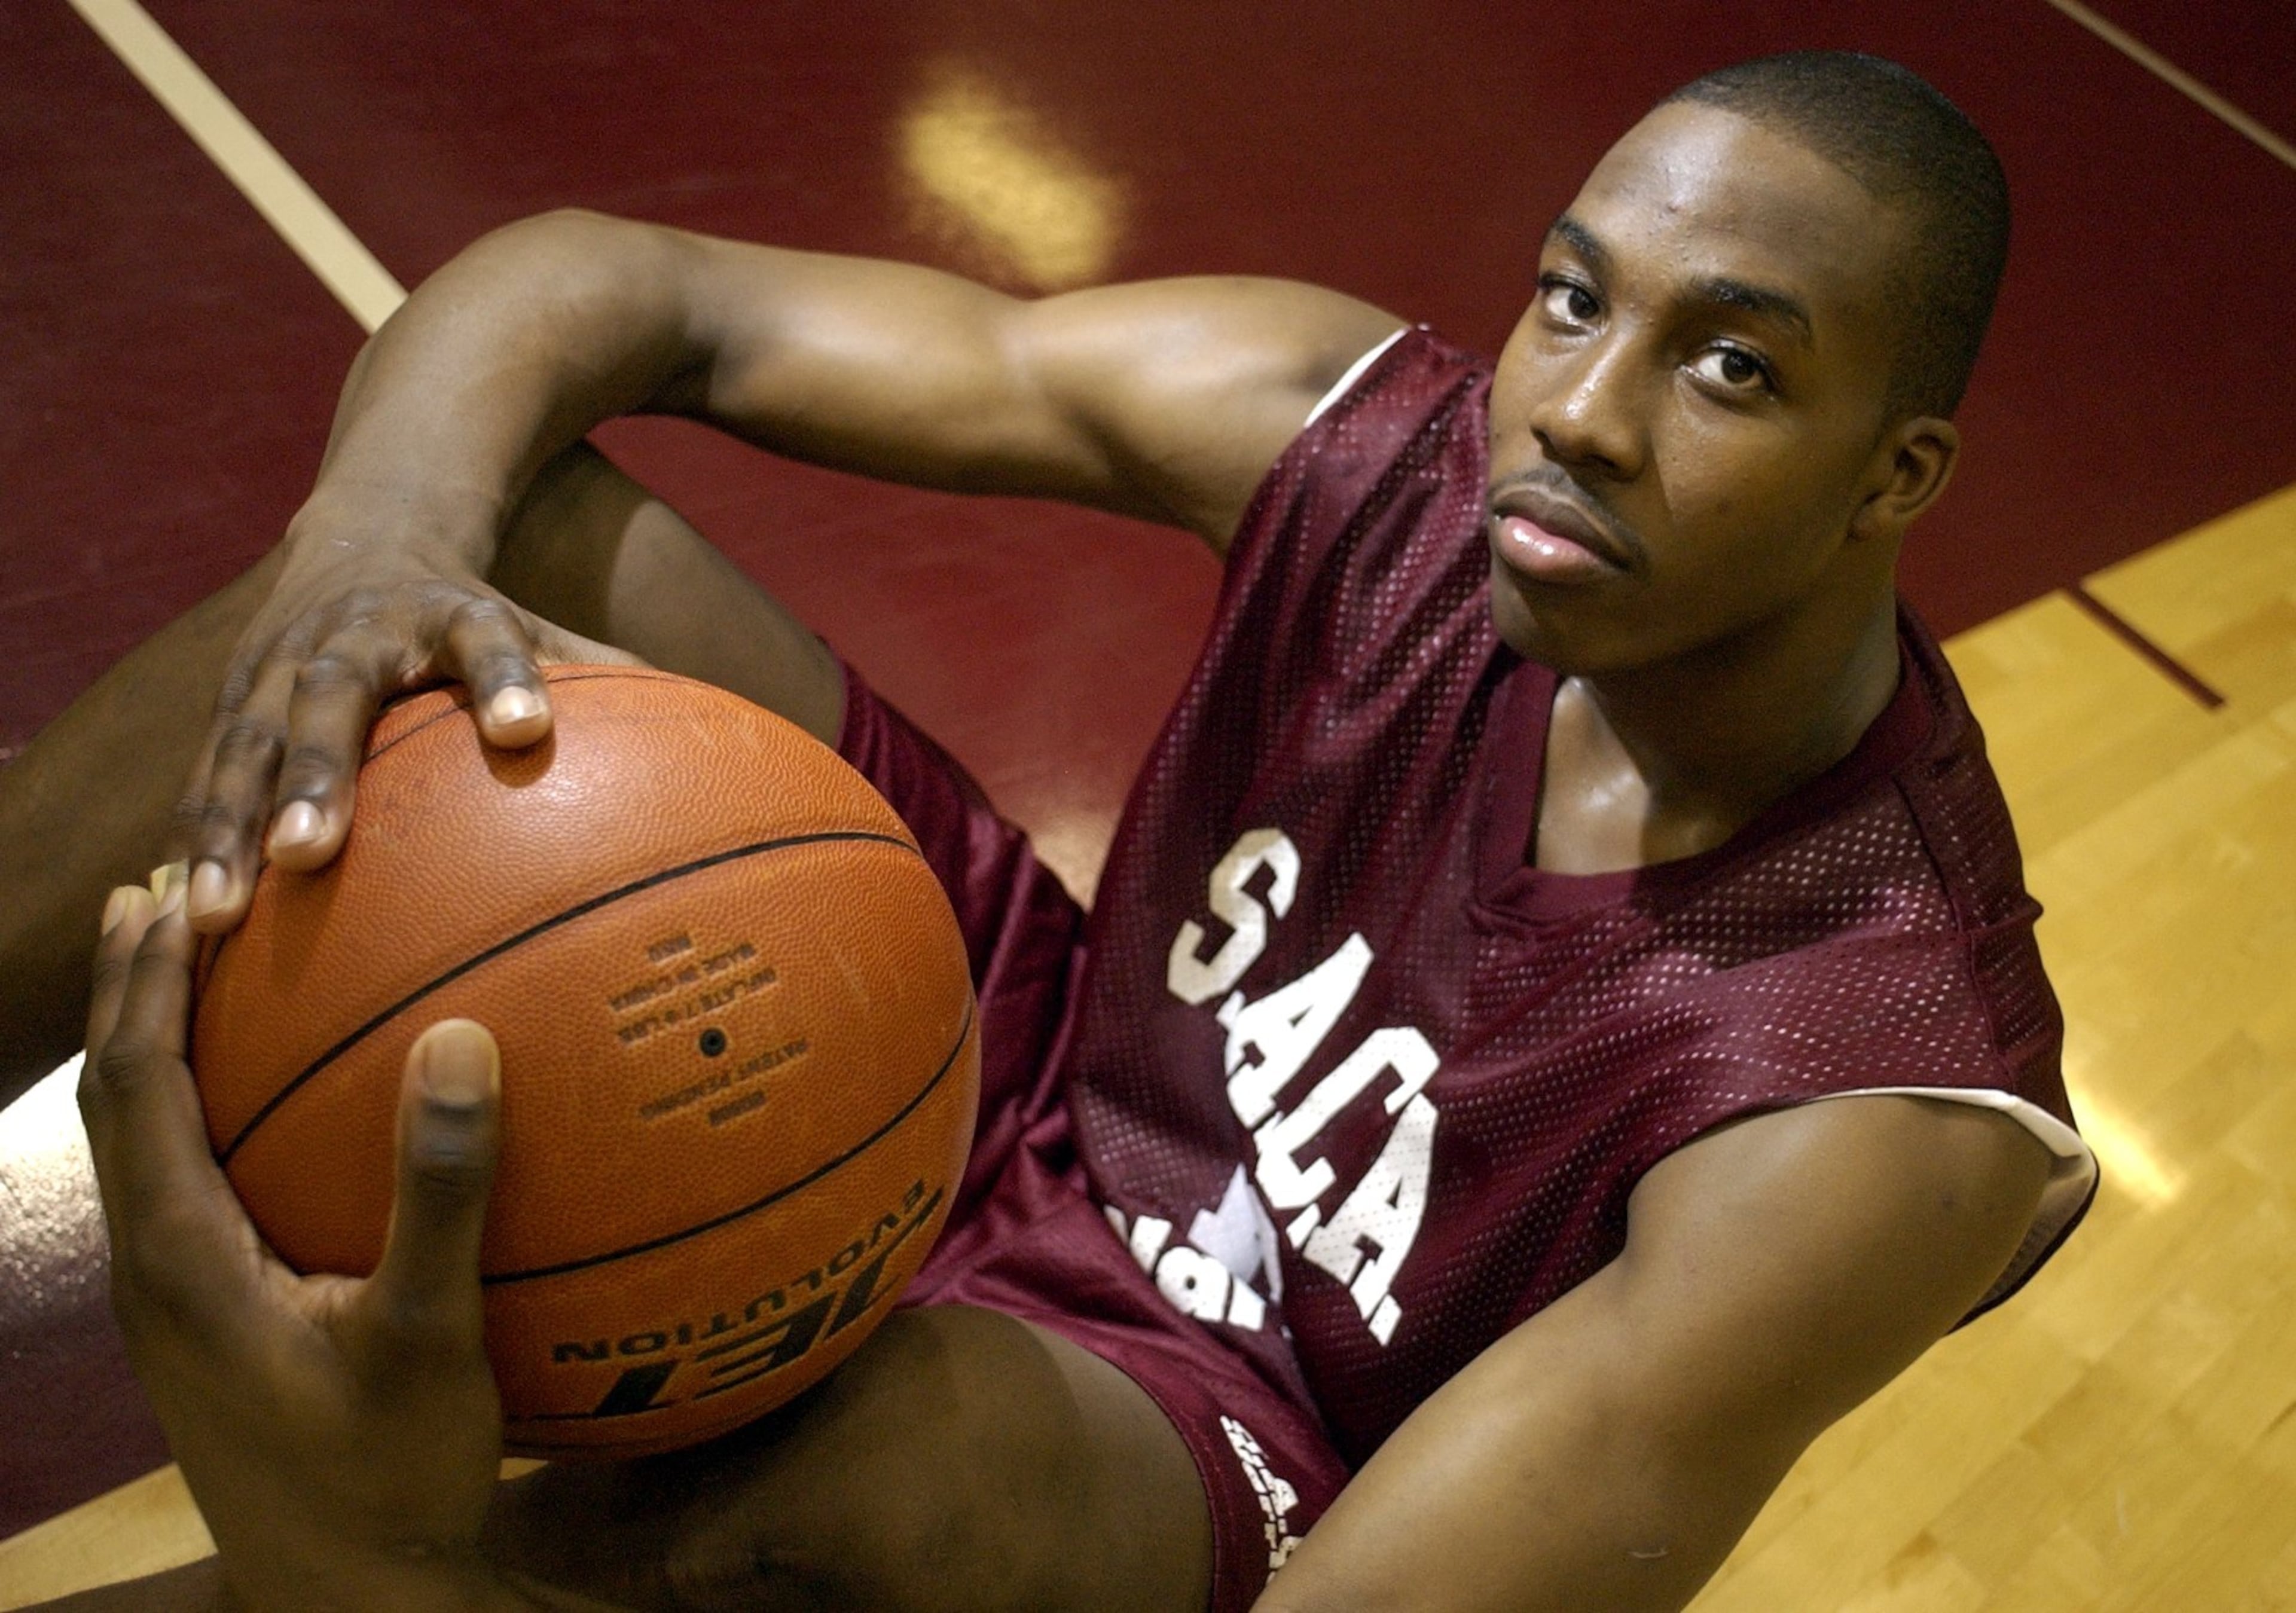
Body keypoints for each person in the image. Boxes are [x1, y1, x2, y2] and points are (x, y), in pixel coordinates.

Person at [8, 50, 2098, 1613]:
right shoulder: (1385, 440)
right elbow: (630, 284)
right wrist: (367, 547)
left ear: (1897, 469)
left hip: (1231, 1445)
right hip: (1022, 1068)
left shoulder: (1867, 1099)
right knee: (419, 613)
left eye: (1731, 365)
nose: (1580, 407)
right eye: (1573, 296)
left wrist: (332, 1543)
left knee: (880, 1468)